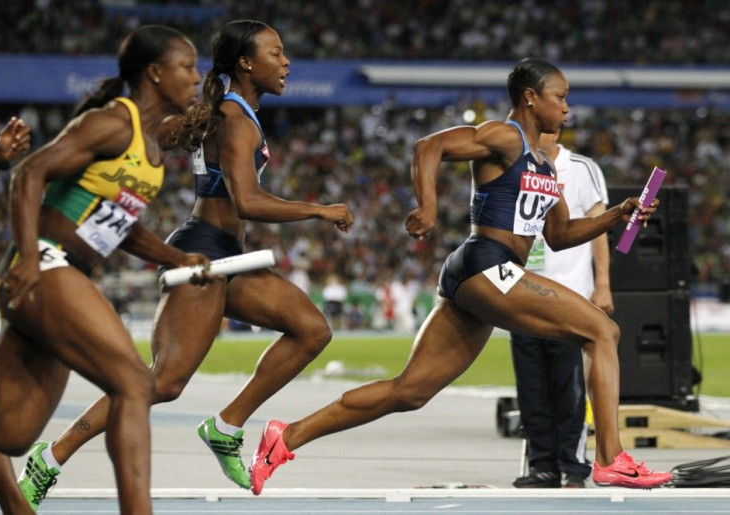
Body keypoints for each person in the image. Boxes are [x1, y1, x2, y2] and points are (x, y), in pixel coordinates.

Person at [248, 57, 673, 495]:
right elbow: (428, 147)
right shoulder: (506, 137)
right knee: (603, 332)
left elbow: (562, 235)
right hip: (487, 264)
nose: (567, 108)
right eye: (560, 97)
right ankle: (610, 459)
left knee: (409, 391)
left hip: (484, 275)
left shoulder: (545, 165)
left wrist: (618, 215)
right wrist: (428, 208)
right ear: (531, 97)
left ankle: (286, 436)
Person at [17, 19, 354, 510]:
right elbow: (247, 201)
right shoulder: (234, 117)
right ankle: (50, 457)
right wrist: (318, 210)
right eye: (276, 54)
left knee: (311, 329)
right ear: (245, 62)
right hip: (207, 250)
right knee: (162, 383)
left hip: (229, 255)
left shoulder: (226, 112)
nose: (286, 63)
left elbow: (166, 135)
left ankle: (225, 427)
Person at [0, 25, 206, 515]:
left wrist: (179, 259)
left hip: (62, 276)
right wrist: (27, 255)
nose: (196, 78)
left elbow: (121, 227)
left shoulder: (150, 149)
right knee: (134, 382)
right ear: (154, 73)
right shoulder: (114, 122)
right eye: (187, 67)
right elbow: (29, 172)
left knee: (11, 433)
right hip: (44, 266)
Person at [510, 128, 612, 489]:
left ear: (555, 133)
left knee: (569, 389)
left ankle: (573, 466)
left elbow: (599, 229)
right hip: (522, 297)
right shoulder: (516, 166)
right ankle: (542, 466)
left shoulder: (581, 168)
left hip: (569, 296)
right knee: (531, 389)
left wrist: (602, 285)